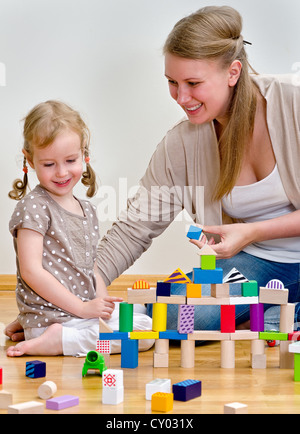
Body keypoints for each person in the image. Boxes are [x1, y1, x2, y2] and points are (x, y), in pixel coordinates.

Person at [6, 5, 300, 341]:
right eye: (172, 83)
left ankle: (278, 312)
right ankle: (280, 312)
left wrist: (252, 231)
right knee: (176, 316)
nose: (181, 97)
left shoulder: (293, 103)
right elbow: (133, 229)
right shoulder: (183, 145)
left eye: (193, 83)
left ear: (233, 72)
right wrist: (61, 303)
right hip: (255, 267)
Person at [6, 100, 154, 357]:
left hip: (76, 313)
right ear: (29, 160)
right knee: (141, 337)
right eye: (49, 164)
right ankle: (53, 340)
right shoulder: (34, 207)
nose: (62, 172)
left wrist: (101, 303)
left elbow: (89, 267)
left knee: (141, 318)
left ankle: (51, 333)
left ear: (84, 154)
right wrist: (84, 309)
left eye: (70, 160)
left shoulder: (87, 210)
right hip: (58, 317)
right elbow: (31, 271)